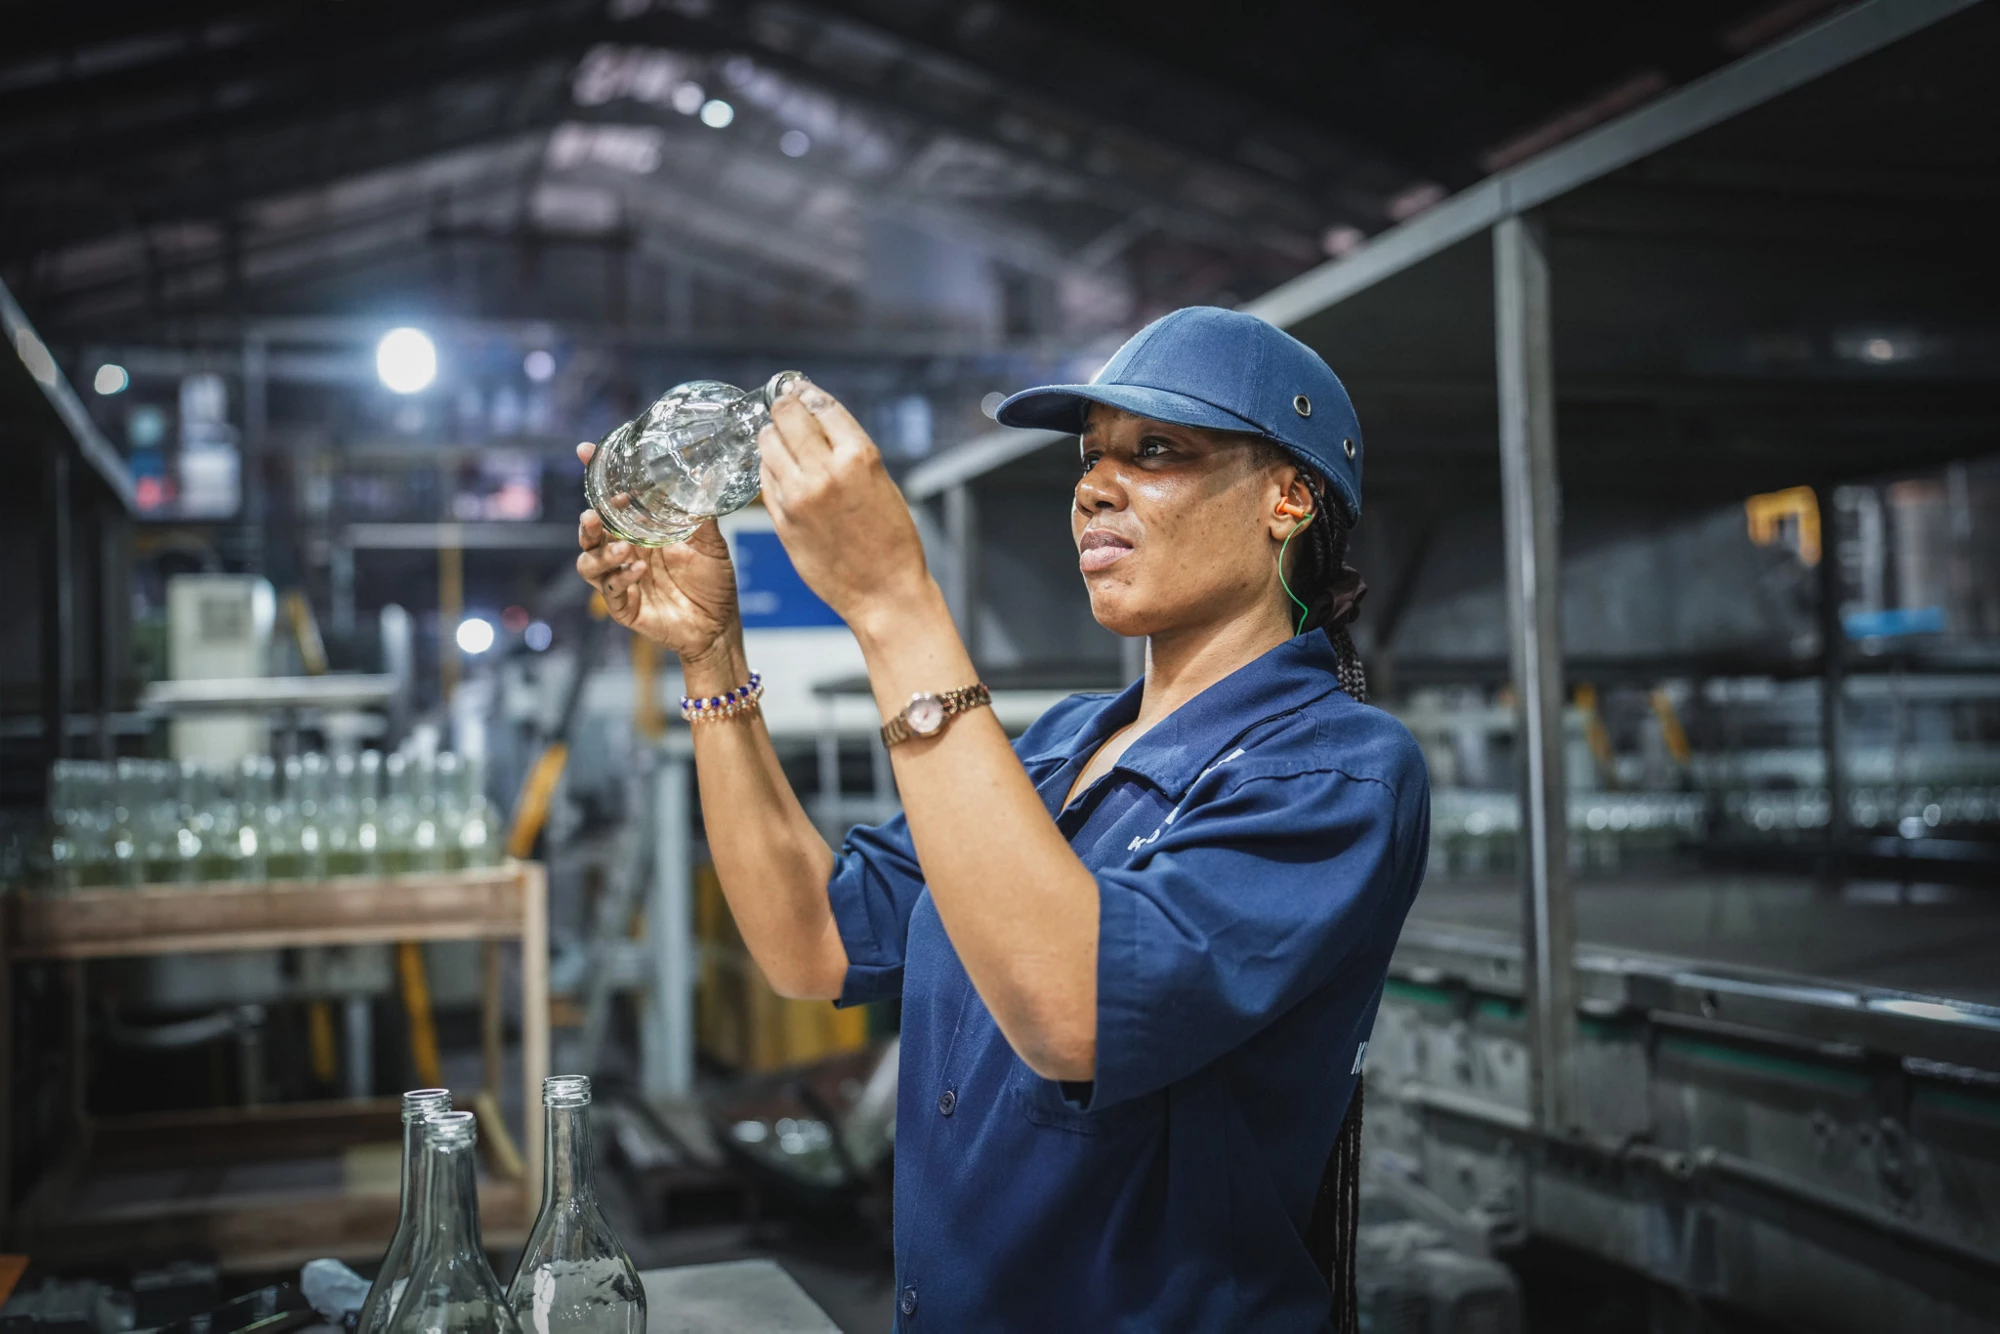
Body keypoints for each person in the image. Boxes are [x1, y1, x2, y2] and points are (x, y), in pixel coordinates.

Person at [575, 307, 1430, 1331]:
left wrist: (894, 600)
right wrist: (711, 654)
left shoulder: (1335, 770)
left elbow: (1072, 1012)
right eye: (1090, 455)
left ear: (1286, 497)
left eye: (1154, 450)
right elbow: (813, 941)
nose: (1093, 486)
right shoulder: (1055, 746)